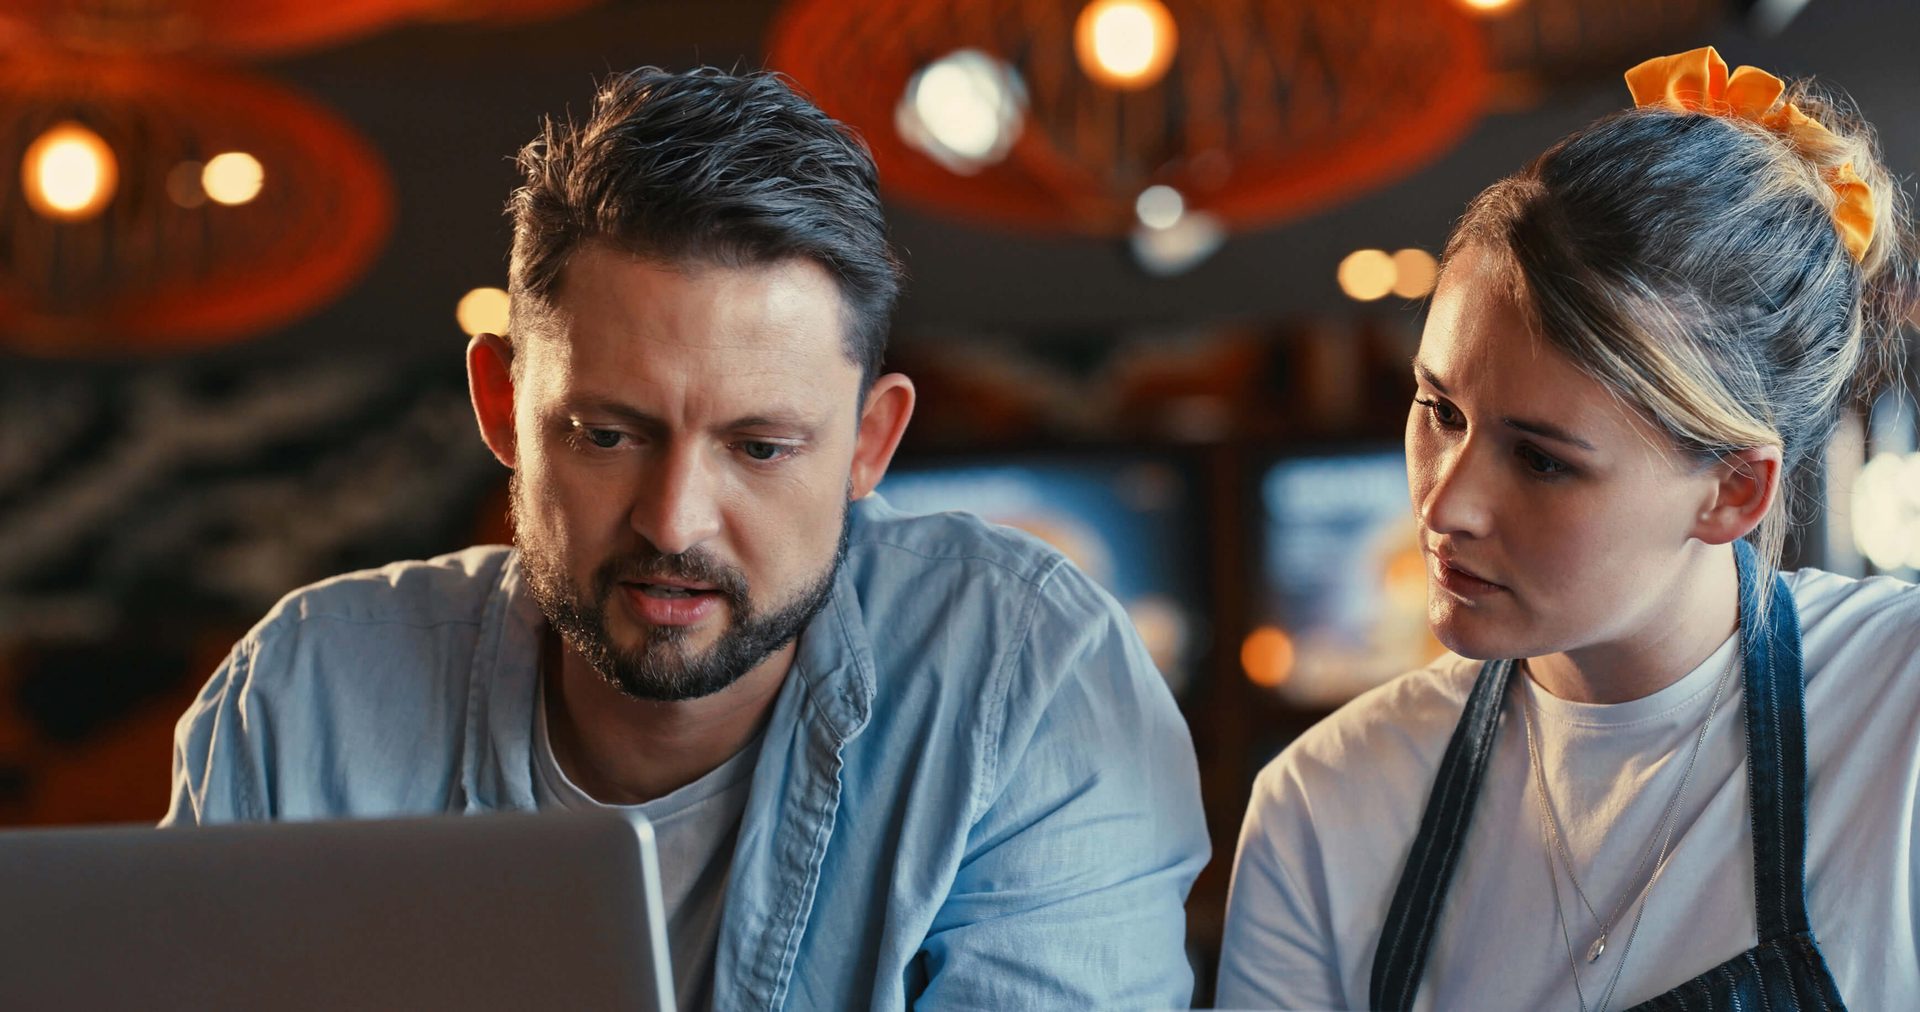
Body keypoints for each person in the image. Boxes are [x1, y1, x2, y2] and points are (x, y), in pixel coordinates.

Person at [164, 67, 1208, 1009]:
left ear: (869, 442)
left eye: (758, 448)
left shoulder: (1027, 681)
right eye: (608, 434)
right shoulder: (304, 701)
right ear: (499, 403)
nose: (673, 521)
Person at [1217, 47, 1920, 1011]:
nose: (1441, 505)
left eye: (1542, 459)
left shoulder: (1901, 713)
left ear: (1731, 493)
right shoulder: (1324, 806)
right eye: (1440, 411)